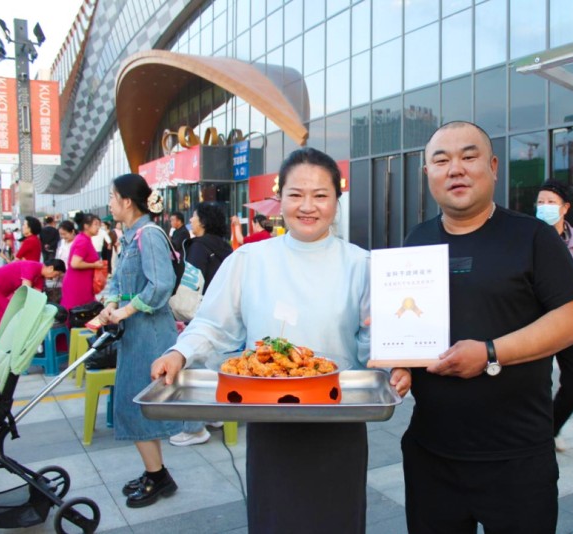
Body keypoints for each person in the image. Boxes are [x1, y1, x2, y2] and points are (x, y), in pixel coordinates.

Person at [152, 147, 411, 533]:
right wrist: (179, 352)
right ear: (280, 198)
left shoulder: (361, 264)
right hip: (268, 416)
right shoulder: (249, 260)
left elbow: (372, 342)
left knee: (337, 519)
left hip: (338, 417)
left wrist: (395, 362)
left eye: (320, 195)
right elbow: (213, 324)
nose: (307, 206)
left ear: (336, 200)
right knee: (275, 518)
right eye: (296, 195)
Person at [401, 121, 573, 533]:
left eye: (469, 157)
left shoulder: (533, 237)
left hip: (517, 461)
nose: (455, 169)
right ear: (427, 173)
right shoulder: (416, 241)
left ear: (493, 166)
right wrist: (397, 360)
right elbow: (409, 324)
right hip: (431, 456)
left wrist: (490, 353)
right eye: (441, 161)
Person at [97, 174, 181, 508]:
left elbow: (160, 285)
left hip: (151, 334)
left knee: (137, 403)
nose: (109, 203)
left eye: (112, 196)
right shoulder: (129, 237)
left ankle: (157, 476)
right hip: (134, 332)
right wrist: (110, 304)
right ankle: (156, 472)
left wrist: (126, 310)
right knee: (135, 403)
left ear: (127, 201)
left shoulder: (149, 235)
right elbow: (118, 280)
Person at [169, 201, 233, 447]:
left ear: (203, 221)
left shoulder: (198, 246)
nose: (191, 221)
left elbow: (191, 282)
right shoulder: (226, 247)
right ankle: (214, 415)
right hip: (224, 314)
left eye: (193, 217)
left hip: (203, 315)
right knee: (214, 366)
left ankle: (194, 429)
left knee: (194, 369)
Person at [535, 180, 573, 452]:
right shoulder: (530, 236)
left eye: (551, 202)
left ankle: (550, 428)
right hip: (537, 322)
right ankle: (536, 437)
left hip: (568, 321)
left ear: (565, 207)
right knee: (538, 383)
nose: (544, 207)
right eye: (540, 202)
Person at [0, 259, 66, 347]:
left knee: (9, 313)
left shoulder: (40, 277)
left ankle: (7, 343)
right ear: (50, 268)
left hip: (3, 290)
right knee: (9, 313)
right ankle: (6, 343)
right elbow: (26, 292)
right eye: (56, 275)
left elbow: (37, 297)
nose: (54, 278)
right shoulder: (31, 267)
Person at [61, 213, 102, 311]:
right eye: (95, 224)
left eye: (99, 225)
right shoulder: (83, 241)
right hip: (78, 283)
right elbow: (75, 263)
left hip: (81, 282)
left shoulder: (84, 239)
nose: (98, 227)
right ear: (86, 226)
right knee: (78, 311)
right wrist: (94, 265)